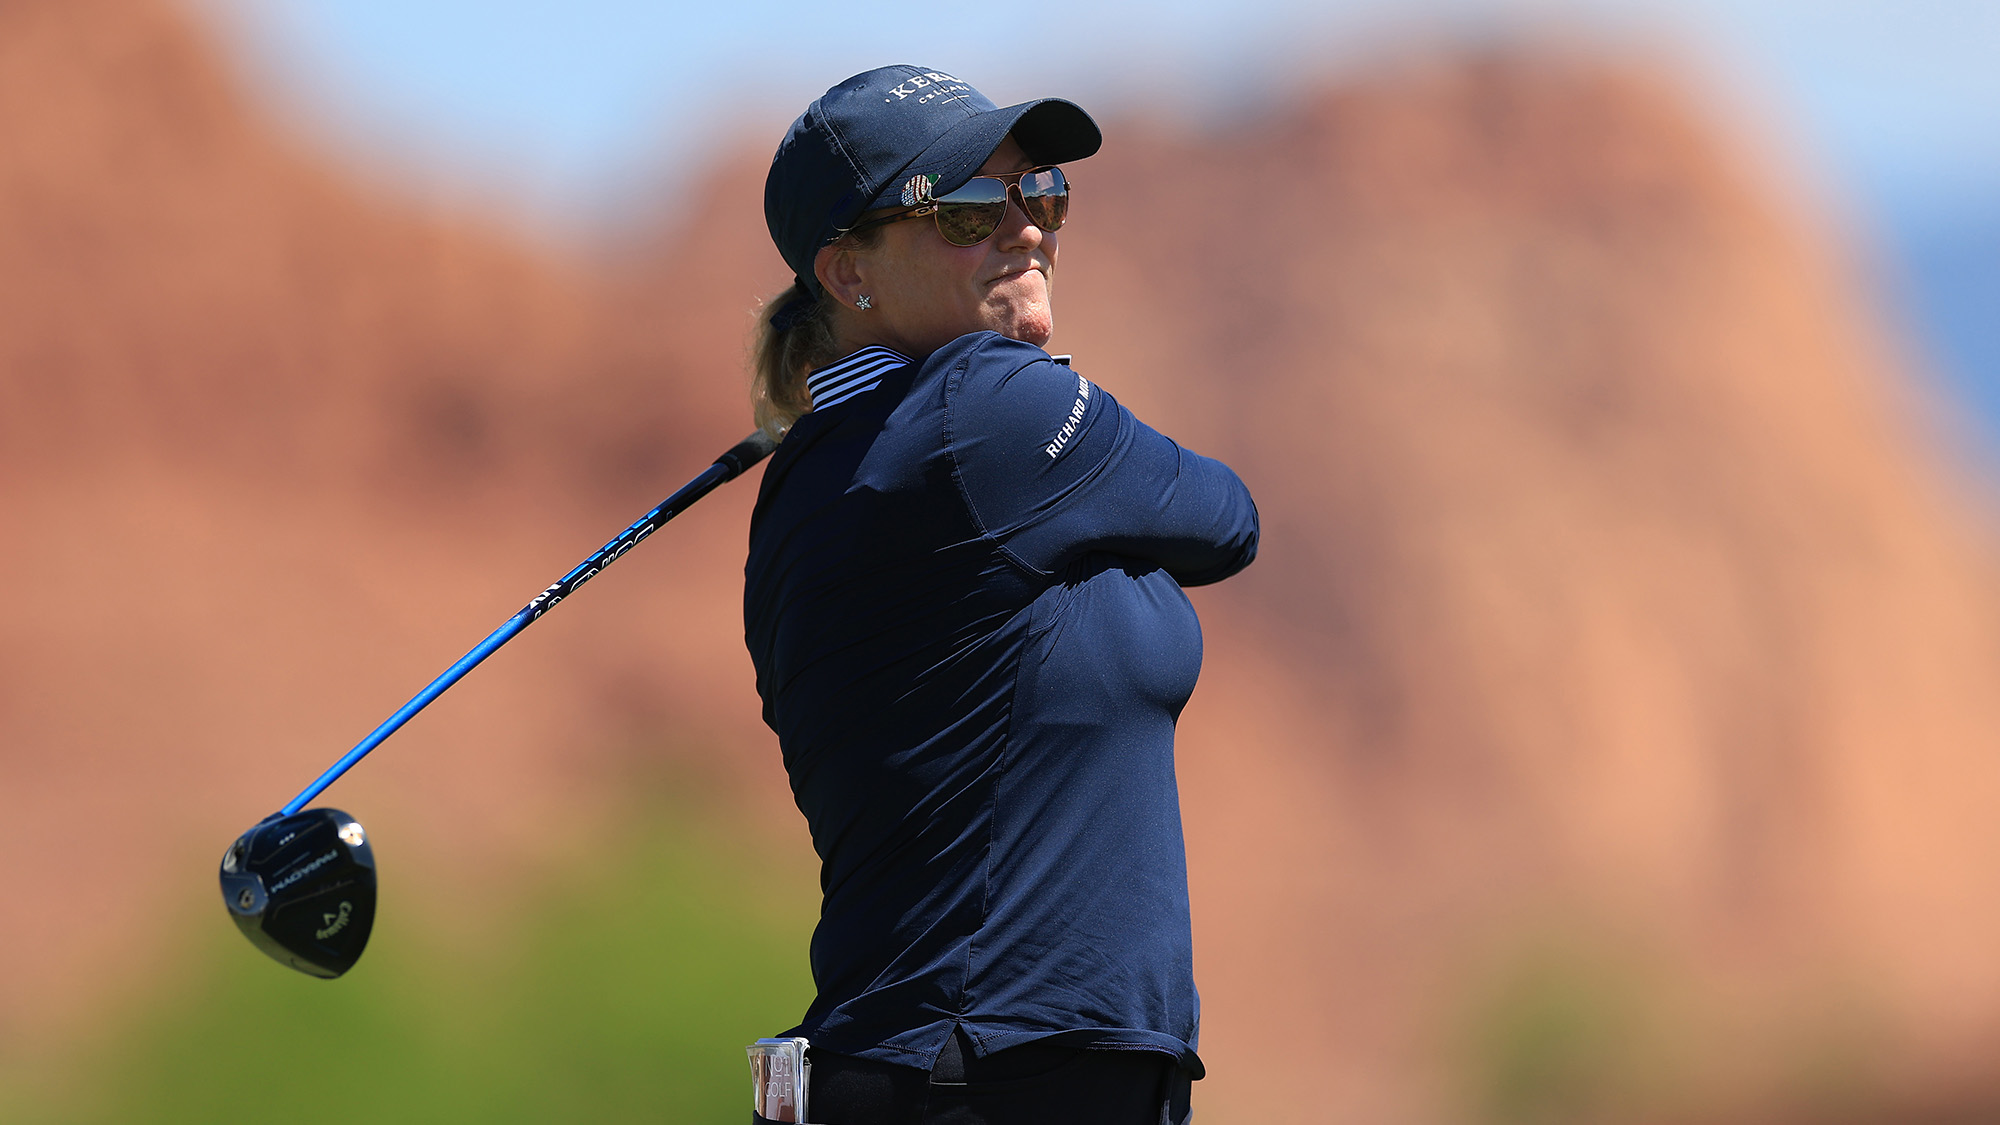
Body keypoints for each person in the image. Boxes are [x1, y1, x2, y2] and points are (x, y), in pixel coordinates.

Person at [743, 64, 1259, 1125]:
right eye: (968, 209)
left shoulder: (809, 476)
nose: (1022, 230)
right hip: (988, 1075)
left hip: (953, 1065)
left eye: (1040, 194)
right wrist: (1044, 394)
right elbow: (1225, 516)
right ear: (849, 275)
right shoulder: (990, 411)